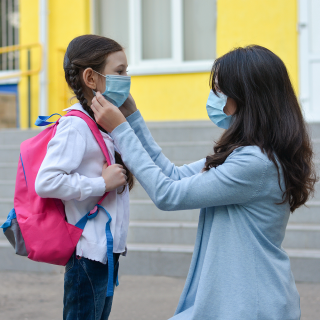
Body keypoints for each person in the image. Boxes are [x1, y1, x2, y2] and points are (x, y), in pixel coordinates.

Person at [90, 45, 317, 319]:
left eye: (220, 89)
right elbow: (173, 175)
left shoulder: (255, 163)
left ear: (244, 96)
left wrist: (120, 130)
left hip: (252, 305)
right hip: (237, 300)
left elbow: (168, 194)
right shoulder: (246, 153)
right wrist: (133, 119)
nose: (215, 97)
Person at [35, 35, 134, 320]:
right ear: (91, 77)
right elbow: (47, 181)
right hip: (87, 253)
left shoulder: (100, 122)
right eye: (119, 71)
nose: (126, 78)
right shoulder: (75, 125)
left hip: (105, 252)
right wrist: (101, 183)